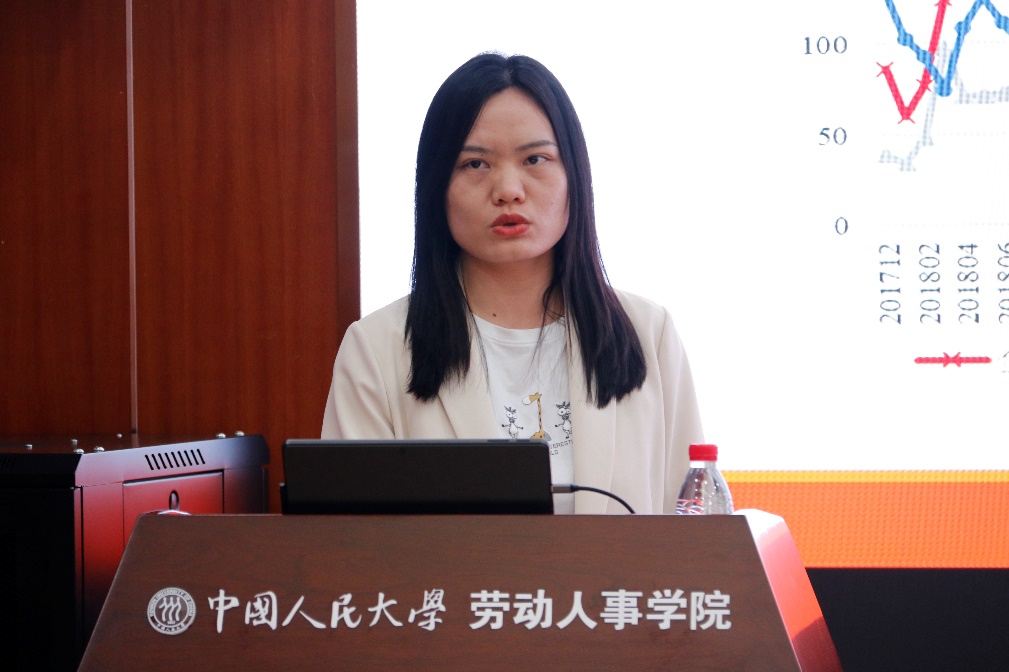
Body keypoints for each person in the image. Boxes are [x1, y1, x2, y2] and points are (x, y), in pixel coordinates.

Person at [322, 53, 703, 514]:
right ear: (436, 187)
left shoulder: (648, 332)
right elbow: (349, 539)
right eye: (475, 164)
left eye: (535, 159)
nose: (508, 190)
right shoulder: (377, 349)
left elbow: (695, 528)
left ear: (574, 176)